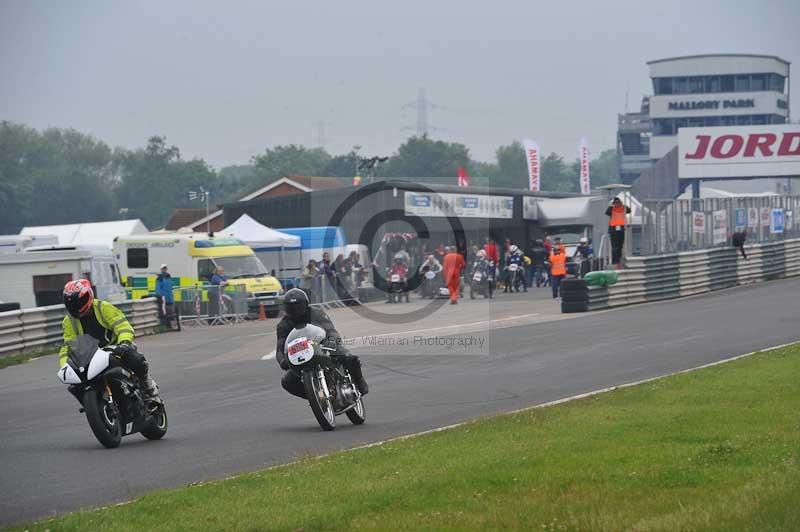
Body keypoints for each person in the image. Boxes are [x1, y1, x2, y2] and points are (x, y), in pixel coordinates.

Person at [59, 279, 160, 403]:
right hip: (90, 356)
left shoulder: (103, 307)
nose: (75, 306)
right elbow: (68, 346)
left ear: (89, 295)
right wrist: (65, 364)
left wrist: (124, 342)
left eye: (79, 302)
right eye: (72, 303)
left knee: (135, 358)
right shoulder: (68, 321)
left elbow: (122, 326)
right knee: (74, 385)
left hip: (115, 347)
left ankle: (147, 385)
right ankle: (93, 404)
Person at [275, 288, 368, 397]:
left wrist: (332, 341)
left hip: (323, 345)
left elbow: (331, 330)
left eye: (298, 307)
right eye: (291, 308)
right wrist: (282, 360)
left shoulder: (317, 313)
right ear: (286, 309)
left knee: (349, 357)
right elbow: (280, 349)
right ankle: (315, 397)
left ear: (305, 305)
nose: (295, 311)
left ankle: (360, 381)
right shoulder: (283, 325)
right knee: (287, 382)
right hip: (300, 355)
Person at [606, 197, 632, 268]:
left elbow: (629, 210)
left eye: (618, 203)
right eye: (616, 203)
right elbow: (607, 212)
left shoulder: (622, 208)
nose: (617, 204)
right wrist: (614, 206)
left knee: (618, 246)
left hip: (618, 228)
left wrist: (614, 205)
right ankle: (616, 261)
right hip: (615, 228)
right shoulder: (614, 208)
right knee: (616, 246)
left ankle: (617, 260)